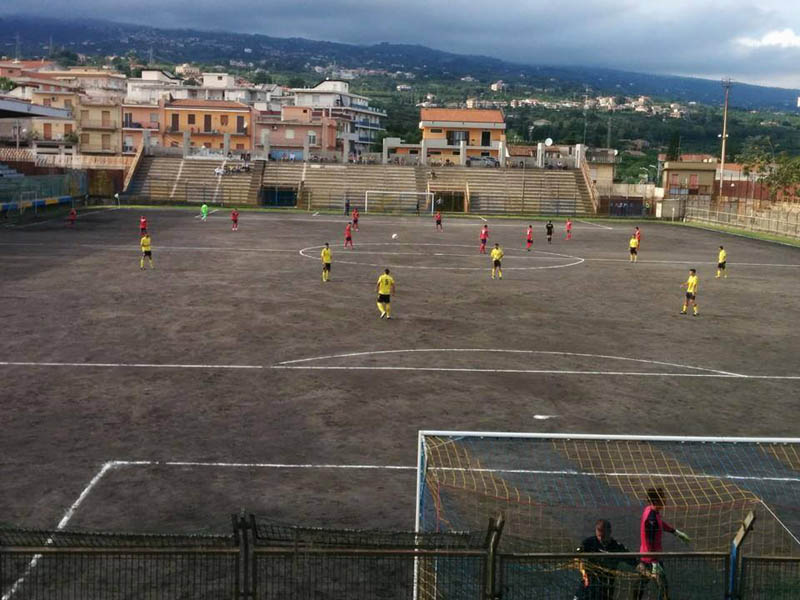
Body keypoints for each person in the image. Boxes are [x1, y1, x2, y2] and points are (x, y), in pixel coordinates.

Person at [634, 487, 690, 600]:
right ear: (656, 501)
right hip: (650, 559)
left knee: (642, 585)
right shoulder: (651, 518)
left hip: (650, 557)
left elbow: (660, 524)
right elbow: (649, 541)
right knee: (661, 587)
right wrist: (654, 563)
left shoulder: (651, 511)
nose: (665, 500)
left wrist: (675, 532)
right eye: (662, 498)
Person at [573, 520, 636, 600]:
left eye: (603, 536)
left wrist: (645, 569)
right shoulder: (589, 543)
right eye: (599, 536)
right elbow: (576, 557)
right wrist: (583, 572)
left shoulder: (616, 546)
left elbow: (633, 561)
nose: (600, 539)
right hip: (589, 583)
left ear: (609, 532)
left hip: (606, 587)